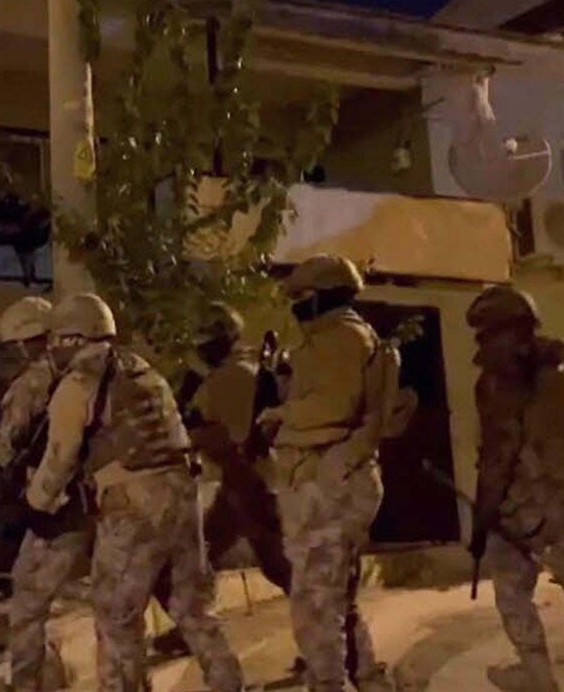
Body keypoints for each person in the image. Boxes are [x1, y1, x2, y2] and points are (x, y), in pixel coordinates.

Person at [26, 293, 242, 692]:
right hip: (183, 495)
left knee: (116, 618)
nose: (53, 348)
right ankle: (228, 684)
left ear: (73, 338)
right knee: (192, 609)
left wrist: (35, 503)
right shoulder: (142, 371)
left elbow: (59, 457)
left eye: (56, 338)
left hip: (133, 505)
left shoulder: (79, 382)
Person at [466, 285, 564, 692]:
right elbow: (495, 456)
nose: (487, 345)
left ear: (520, 333)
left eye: (493, 334)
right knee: (521, 594)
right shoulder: (502, 386)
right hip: (529, 512)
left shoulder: (544, 387)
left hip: (559, 511)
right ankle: (551, 677)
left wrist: (484, 517)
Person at [257, 254, 392, 692]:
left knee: (315, 607)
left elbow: (334, 406)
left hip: (328, 481)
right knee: (335, 598)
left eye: (302, 297)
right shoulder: (339, 338)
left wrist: (280, 414)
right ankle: (366, 677)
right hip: (335, 479)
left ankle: (331, 684)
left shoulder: (342, 337)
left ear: (322, 297)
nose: (297, 305)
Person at [151, 303, 292, 651]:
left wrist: (190, 428)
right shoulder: (234, 372)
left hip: (249, 482)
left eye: (207, 340)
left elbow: (228, 435)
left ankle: (332, 636)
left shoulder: (232, 377)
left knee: (282, 568)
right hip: (242, 483)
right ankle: (192, 629)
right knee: (199, 561)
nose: (201, 348)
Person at [0, 296, 91, 692]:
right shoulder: (86, 373)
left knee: (28, 603)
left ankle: (29, 683)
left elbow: (6, 445)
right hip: (95, 501)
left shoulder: (32, 382)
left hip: (53, 504)